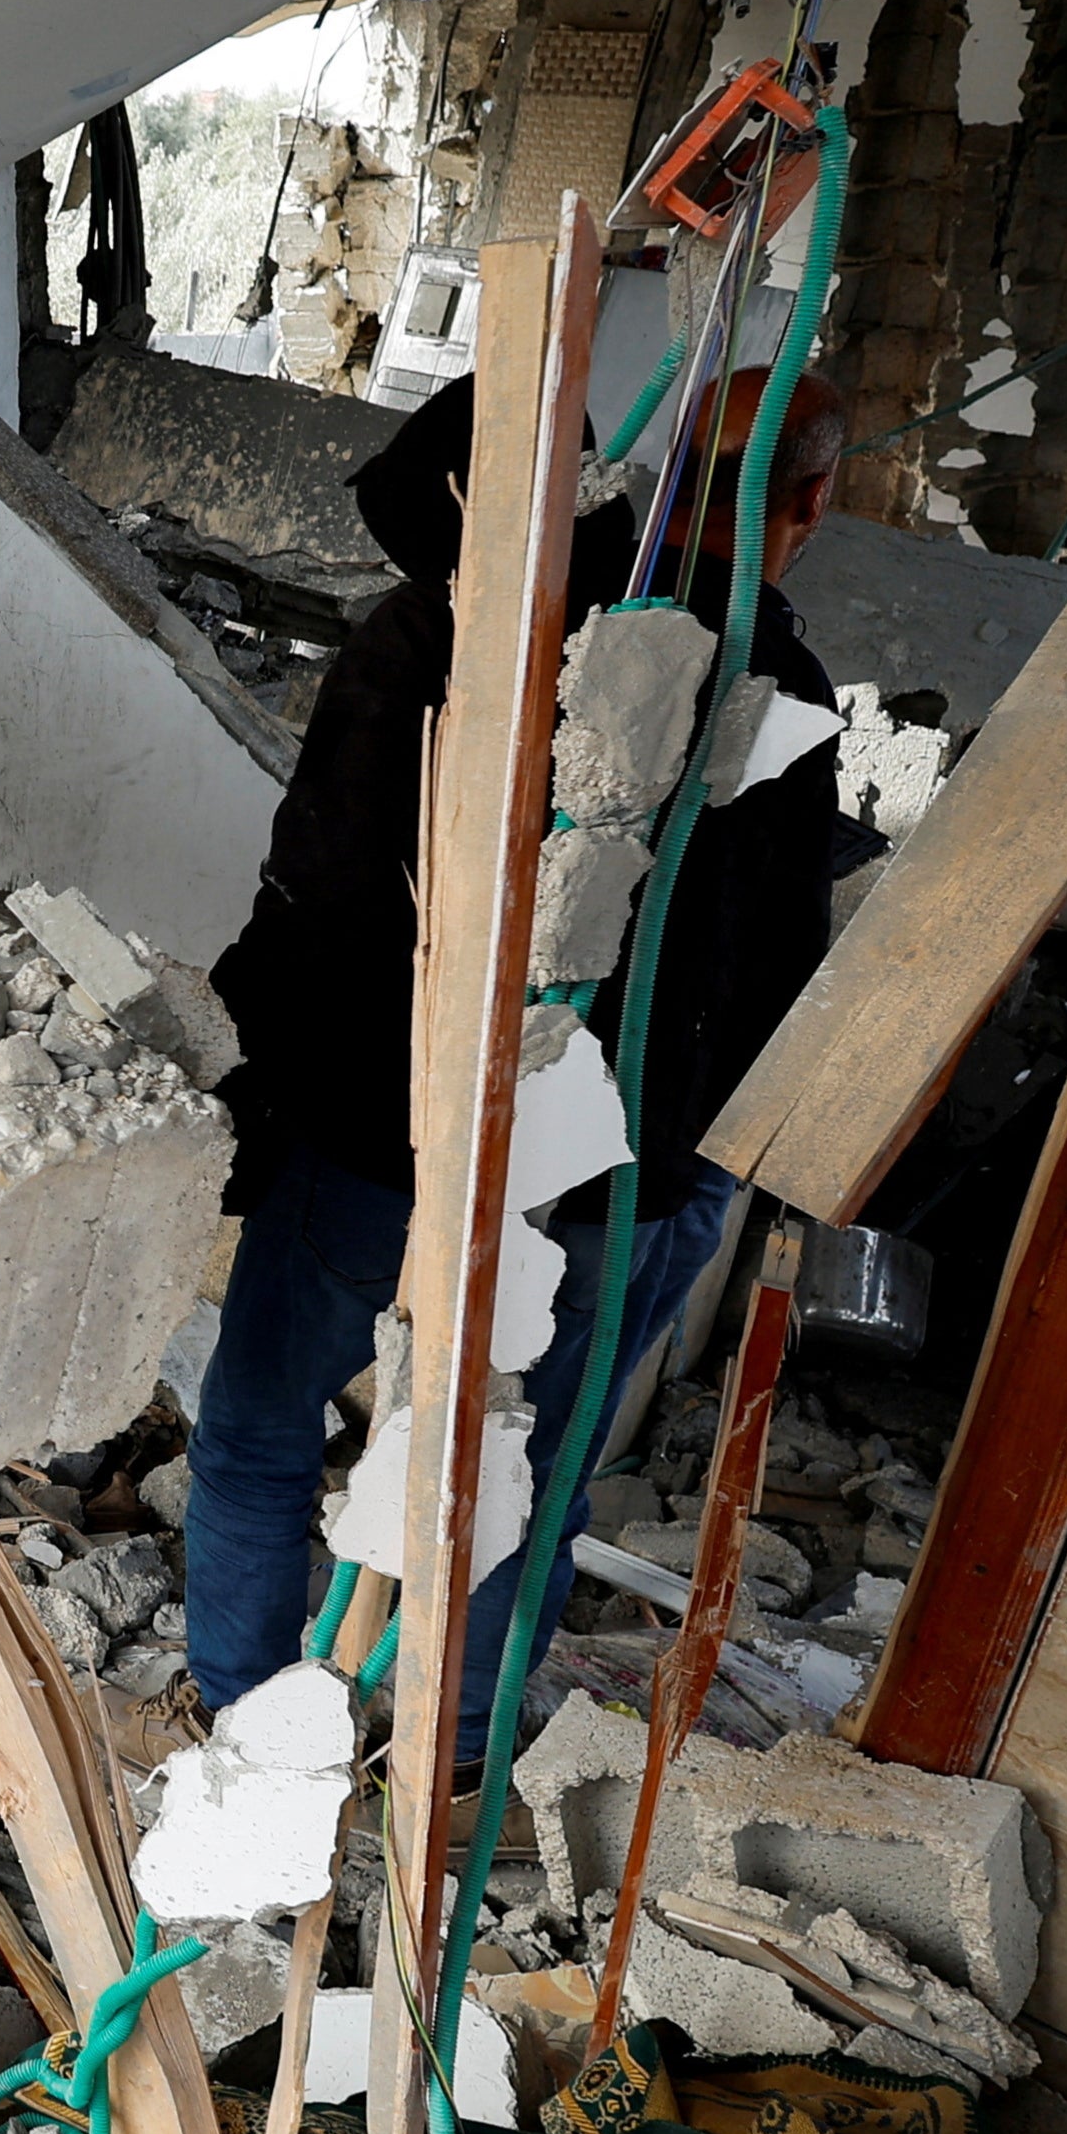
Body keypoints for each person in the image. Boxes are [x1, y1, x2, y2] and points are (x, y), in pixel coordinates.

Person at [180, 362, 852, 1744]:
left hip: (387, 1139)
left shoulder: (439, 635)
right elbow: (779, 974)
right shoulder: (775, 684)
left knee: (259, 1427)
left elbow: (320, 894)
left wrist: (270, 1085)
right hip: (623, 1174)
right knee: (517, 1480)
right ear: (814, 500)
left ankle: (250, 1732)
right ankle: (455, 1755)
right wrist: (688, 1162)